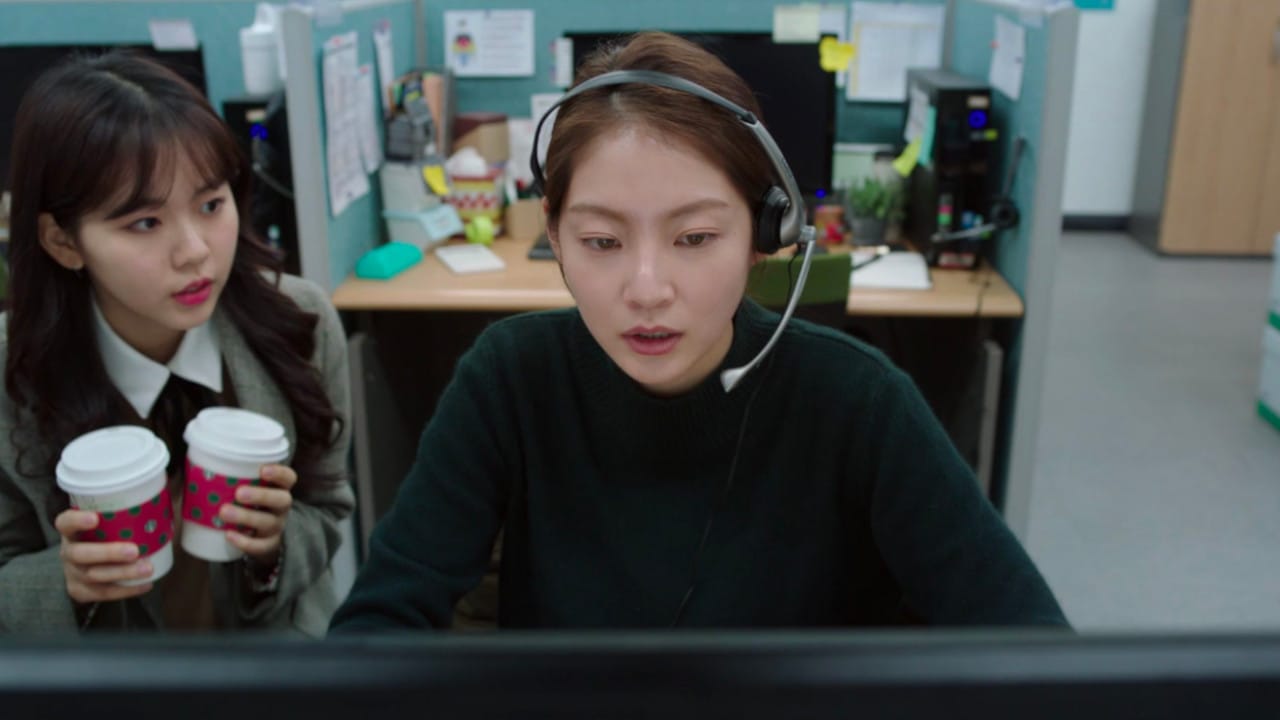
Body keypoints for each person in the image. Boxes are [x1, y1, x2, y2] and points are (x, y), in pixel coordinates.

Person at [330, 32, 1067, 631]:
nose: (648, 289)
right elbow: (379, 622)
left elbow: (1029, 646)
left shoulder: (861, 403)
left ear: (765, 234)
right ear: (553, 233)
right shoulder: (509, 379)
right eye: (601, 242)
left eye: (695, 238)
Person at [0, 52, 353, 635]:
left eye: (211, 205)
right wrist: (65, 583)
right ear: (63, 242)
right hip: (105, 679)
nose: (195, 251)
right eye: (145, 223)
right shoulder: (12, 368)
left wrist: (274, 546)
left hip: (275, 667)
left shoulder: (301, 322)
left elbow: (329, 508)